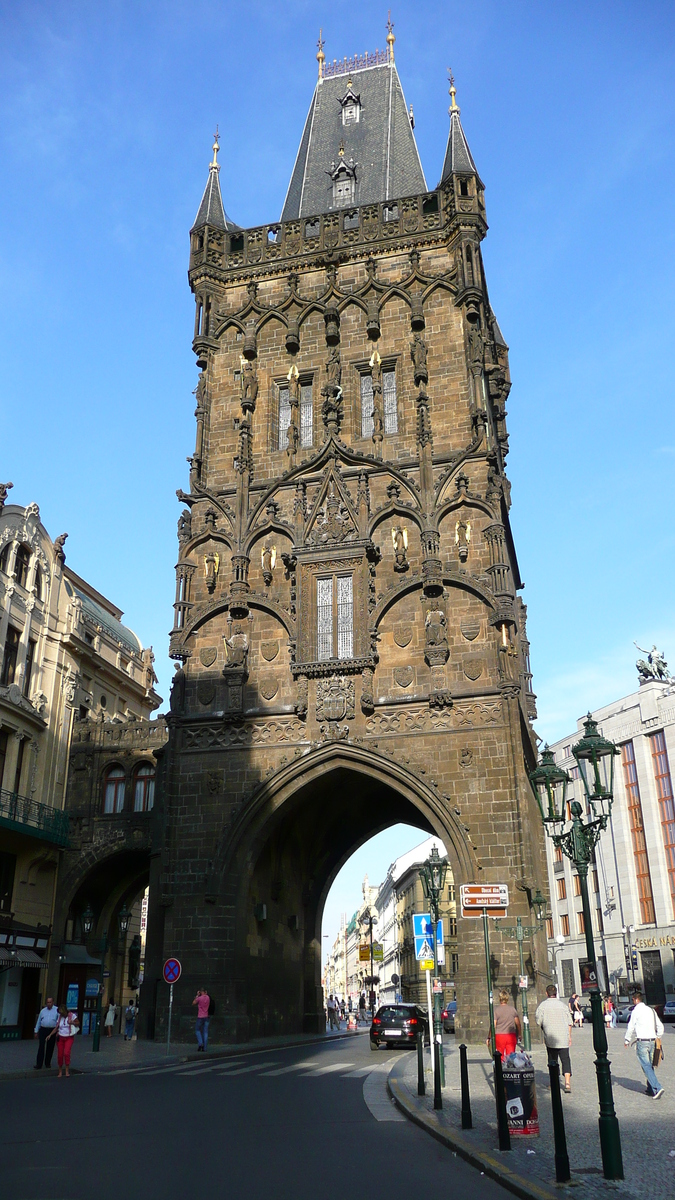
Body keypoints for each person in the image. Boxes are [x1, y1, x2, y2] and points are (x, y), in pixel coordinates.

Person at [624, 988, 664, 1099]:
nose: (632, 1001)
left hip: (642, 1042)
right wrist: (658, 1037)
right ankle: (650, 1088)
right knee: (650, 1066)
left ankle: (657, 1087)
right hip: (653, 1041)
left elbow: (630, 1026)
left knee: (646, 1066)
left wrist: (627, 1039)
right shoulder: (651, 1010)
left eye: (632, 999)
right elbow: (660, 1026)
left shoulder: (636, 1011)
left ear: (636, 1000)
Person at [536, 983, 573, 1093]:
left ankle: (554, 1083)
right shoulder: (563, 1005)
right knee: (565, 1059)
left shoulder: (542, 1006)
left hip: (550, 1038)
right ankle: (567, 1083)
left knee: (553, 1060)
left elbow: (538, 1021)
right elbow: (569, 1023)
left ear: (546, 993)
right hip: (563, 1037)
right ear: (556, 993)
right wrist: (569, 1036)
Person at [47, 1005, 80, 1078]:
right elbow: (56, 1028)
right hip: (61, 1037)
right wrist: (50, 1035)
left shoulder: (72, 1015)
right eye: (60, 1013)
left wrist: (72, 1022)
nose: (61, 1014)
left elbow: (78, 1023)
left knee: (66, 1053)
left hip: (69, 1037)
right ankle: (60, 1071)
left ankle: (67, 1070)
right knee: (60, 1054)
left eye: (62, 1013)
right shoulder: (59, 1017)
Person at [494, 989, 522, 1060]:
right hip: (511, 1035)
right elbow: (518, 1024)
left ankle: (501, 1069)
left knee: (500, 1056)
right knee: (511, 1056)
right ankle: (510, 1070)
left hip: (499, 1035)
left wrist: (489, 1037)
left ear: (499, 998)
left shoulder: (496, 1010)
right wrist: (519, 1034)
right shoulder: (512, 1009)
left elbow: (494, 1025)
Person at [34, 996, 59, 1069]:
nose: (49, 1004)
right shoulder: (43, 1011)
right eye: (47, 1002)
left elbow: (59, 1021)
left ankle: (47, 1063)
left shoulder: (57, 1010)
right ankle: (39, 1064)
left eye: (50, 1002)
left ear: (53, 1002)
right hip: (43, 1029)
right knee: (41, 1046)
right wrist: (36, 1031)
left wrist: (58, 1031)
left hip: (52, 1030)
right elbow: (39, 1021)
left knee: (50, 1047)